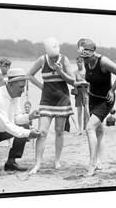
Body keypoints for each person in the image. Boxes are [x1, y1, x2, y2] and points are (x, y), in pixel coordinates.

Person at [77, 38, 116, 176]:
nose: (84, 61)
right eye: (82, 58)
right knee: (99, 131)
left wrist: (112, 90)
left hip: (106, 100)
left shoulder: (103, 62)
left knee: (89, 127)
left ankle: (91, 164)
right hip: (92, 98)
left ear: (93, 53)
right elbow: (91, 79)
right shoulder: (86, 63)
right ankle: (99, 162)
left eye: (86, 57)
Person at [27, 37, 75, 174]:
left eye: (55, 57)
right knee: (42, 132)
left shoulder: (64, 60)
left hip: (62, 101)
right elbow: (29, 75)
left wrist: (61, 72)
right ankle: (37, 164)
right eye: (51, 57)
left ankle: (57, 160)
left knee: (59, 132)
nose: (53, 59)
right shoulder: (42, 60)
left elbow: (73, 81)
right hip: (46, 101)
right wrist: (41, 86)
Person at [72, 56, 90, 134]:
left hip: (86, 91)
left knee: (87, 111)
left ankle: (89, 128)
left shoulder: (86, 71)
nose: (79, 64)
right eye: (77, 62)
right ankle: (80, 130)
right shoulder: (75, 72)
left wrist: (85, 83)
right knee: (79, 112)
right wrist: (82, 82)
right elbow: (74, 83)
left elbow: (89, 82)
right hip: (78, 92)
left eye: (80, 62)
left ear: (83, 62)